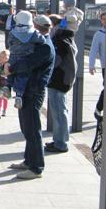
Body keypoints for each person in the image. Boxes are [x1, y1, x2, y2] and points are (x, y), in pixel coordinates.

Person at [8, 16, 55, 180]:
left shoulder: (45, 47)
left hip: (33, 91)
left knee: (33, 130)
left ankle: (36, 168)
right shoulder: (40, 43)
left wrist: (11, 68)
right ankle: (29, 161)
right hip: (27, 90)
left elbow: (28, 63)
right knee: (27, 128)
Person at [45, 14, 77, 153]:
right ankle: (59, 140)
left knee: (59, 112)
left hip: (58, 80)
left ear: (53, 26)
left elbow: (55, 61)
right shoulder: (66, 39)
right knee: (60, 111)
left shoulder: (60, 41)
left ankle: (61, 143)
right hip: (62, 79)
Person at [6, 10, 46, 109]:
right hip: (25, 57)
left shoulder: (13, 32)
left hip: (13, 57)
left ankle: (8, 86)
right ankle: (19, 95)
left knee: (10, 72)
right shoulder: (33, 33)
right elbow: (42, 40)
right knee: (22, 76)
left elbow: (9, 42)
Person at [89, 12, 106, 121]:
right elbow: (93, 50)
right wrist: (91, 65)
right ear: (101, 20)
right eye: (103, 19)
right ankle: (98, 108)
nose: (105, 21)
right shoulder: (99, 34)